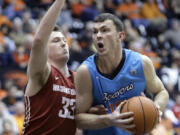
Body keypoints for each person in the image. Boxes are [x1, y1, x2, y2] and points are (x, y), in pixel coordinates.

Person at [75, 13, 169, 135]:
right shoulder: (86, 71)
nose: (98, 35)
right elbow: (77, 119)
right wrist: (108, 120)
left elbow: (162, 92)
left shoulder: (141, 62)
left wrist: (156, 108)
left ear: (120, 36)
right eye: (95, 31)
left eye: (104, 30)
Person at [22, 0, 76, 134]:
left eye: (64, 40)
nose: (63, 44)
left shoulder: (79, 79)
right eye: (56, 41)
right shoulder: (44, 72)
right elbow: (39, 40)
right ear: (45, 50)